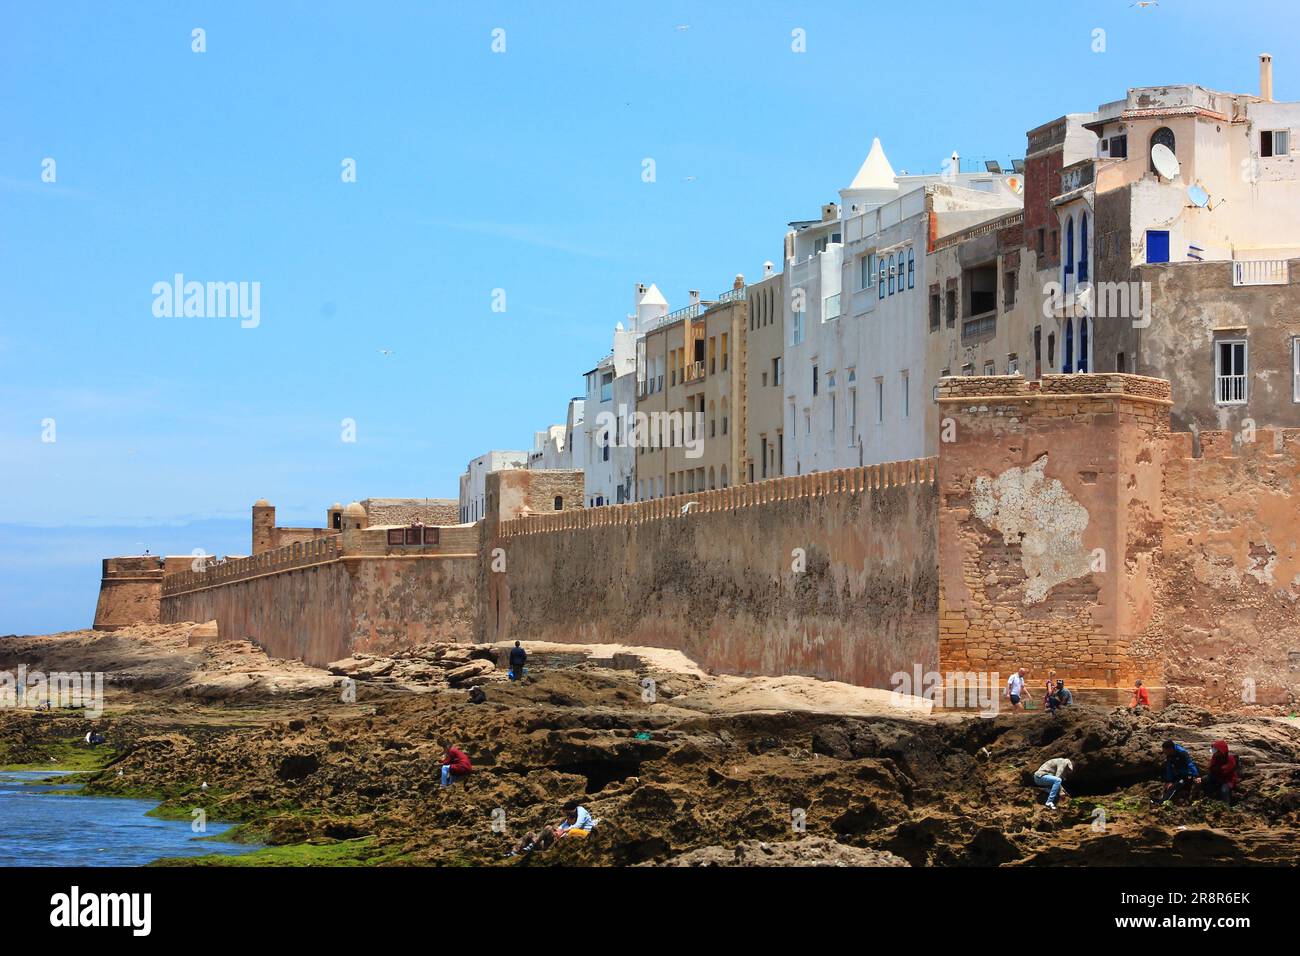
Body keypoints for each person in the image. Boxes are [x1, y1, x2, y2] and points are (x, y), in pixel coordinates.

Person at [512, 800, 595, 855]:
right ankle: (514, 852)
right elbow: (562, 826)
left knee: (549, 827)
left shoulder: (581, 811)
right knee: (530, 834)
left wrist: (562, 832)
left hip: (569, 839)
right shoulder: (570, 817)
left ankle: (533, 845)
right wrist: (557, 831)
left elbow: (577, 825)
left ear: (572, 810)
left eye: (567, 813)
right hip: (552, 842)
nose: (567, 815)